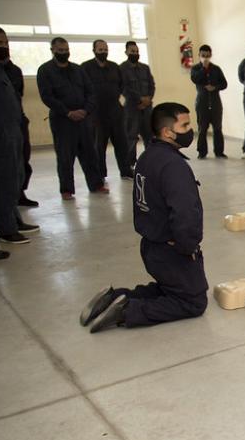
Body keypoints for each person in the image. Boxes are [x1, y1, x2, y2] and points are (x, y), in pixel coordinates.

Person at [79, 102, 208, 333]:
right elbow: (185, 213)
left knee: (173, 289)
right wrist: (188, 247)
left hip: (151, 247)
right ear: (168, 131)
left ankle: (116, 298)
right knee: (194, 302)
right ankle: (127, 311)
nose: (191, 129)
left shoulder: (148, 157)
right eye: (185, 124)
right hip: (172, 251)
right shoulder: (174, 166)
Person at [37, 36, 107, 200]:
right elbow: (47, 96)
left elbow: (90, 92)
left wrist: (85, 110)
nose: (64, 53)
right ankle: (66, 190)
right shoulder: (45, 70)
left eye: (66, 50)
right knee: (65, 156)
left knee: (90, 153)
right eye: (60, 50)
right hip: (63, 120)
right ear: (52, 50)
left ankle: (96, 184)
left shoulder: (78, 70)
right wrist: (67, 112)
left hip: (84, 118)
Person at [0, 23, 31, 254]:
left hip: (9, 135)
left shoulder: (0, 68)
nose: (3, 47)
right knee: (0, 185)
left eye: (5, 43)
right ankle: (5, 229)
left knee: (12, 180)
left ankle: (11, 222)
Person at [82, 39, 133, 180]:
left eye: (105, 50)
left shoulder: (114, 67)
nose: (103, 52)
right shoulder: (86, 68)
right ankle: (100, 173)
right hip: (96, 112)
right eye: (100, 50)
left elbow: (122, 85)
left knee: (121, 142)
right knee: (99, 145)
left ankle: (126, 170)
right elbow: (83, 88)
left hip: (115, 110)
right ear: (94, 51)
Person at [3, 51, 37, 207]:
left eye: (5, 44)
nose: (3, 47)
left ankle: (19, 193)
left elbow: (19, 93)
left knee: (23, 159)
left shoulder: (15, 70)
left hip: (17, 119)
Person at [120, 40, 156, 166]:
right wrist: (140, 99)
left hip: (147, 108)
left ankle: (151, 160)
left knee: (150, 136)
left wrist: (148, 99)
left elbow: (152, 85)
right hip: (132, 108)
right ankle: (130, 163)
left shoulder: (145, 68)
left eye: (136, 51)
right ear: (126, 52)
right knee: (131, 137)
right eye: (132, 51)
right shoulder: (122, 69)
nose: (135, 53)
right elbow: (124, 88)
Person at [190, 44, 228, 159]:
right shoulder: (195, 68)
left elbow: (224, 84)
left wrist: (215, 87)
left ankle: (219, 151)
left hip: (216, 102)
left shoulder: (216, 69)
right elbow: (195, 79)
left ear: (211, 55)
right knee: (202, 128)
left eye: (207, 55)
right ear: (199, 56)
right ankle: (202, 152)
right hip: (202, 102)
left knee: (217, 128)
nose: (205, 58)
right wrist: (203, 68)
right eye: (203, 55)